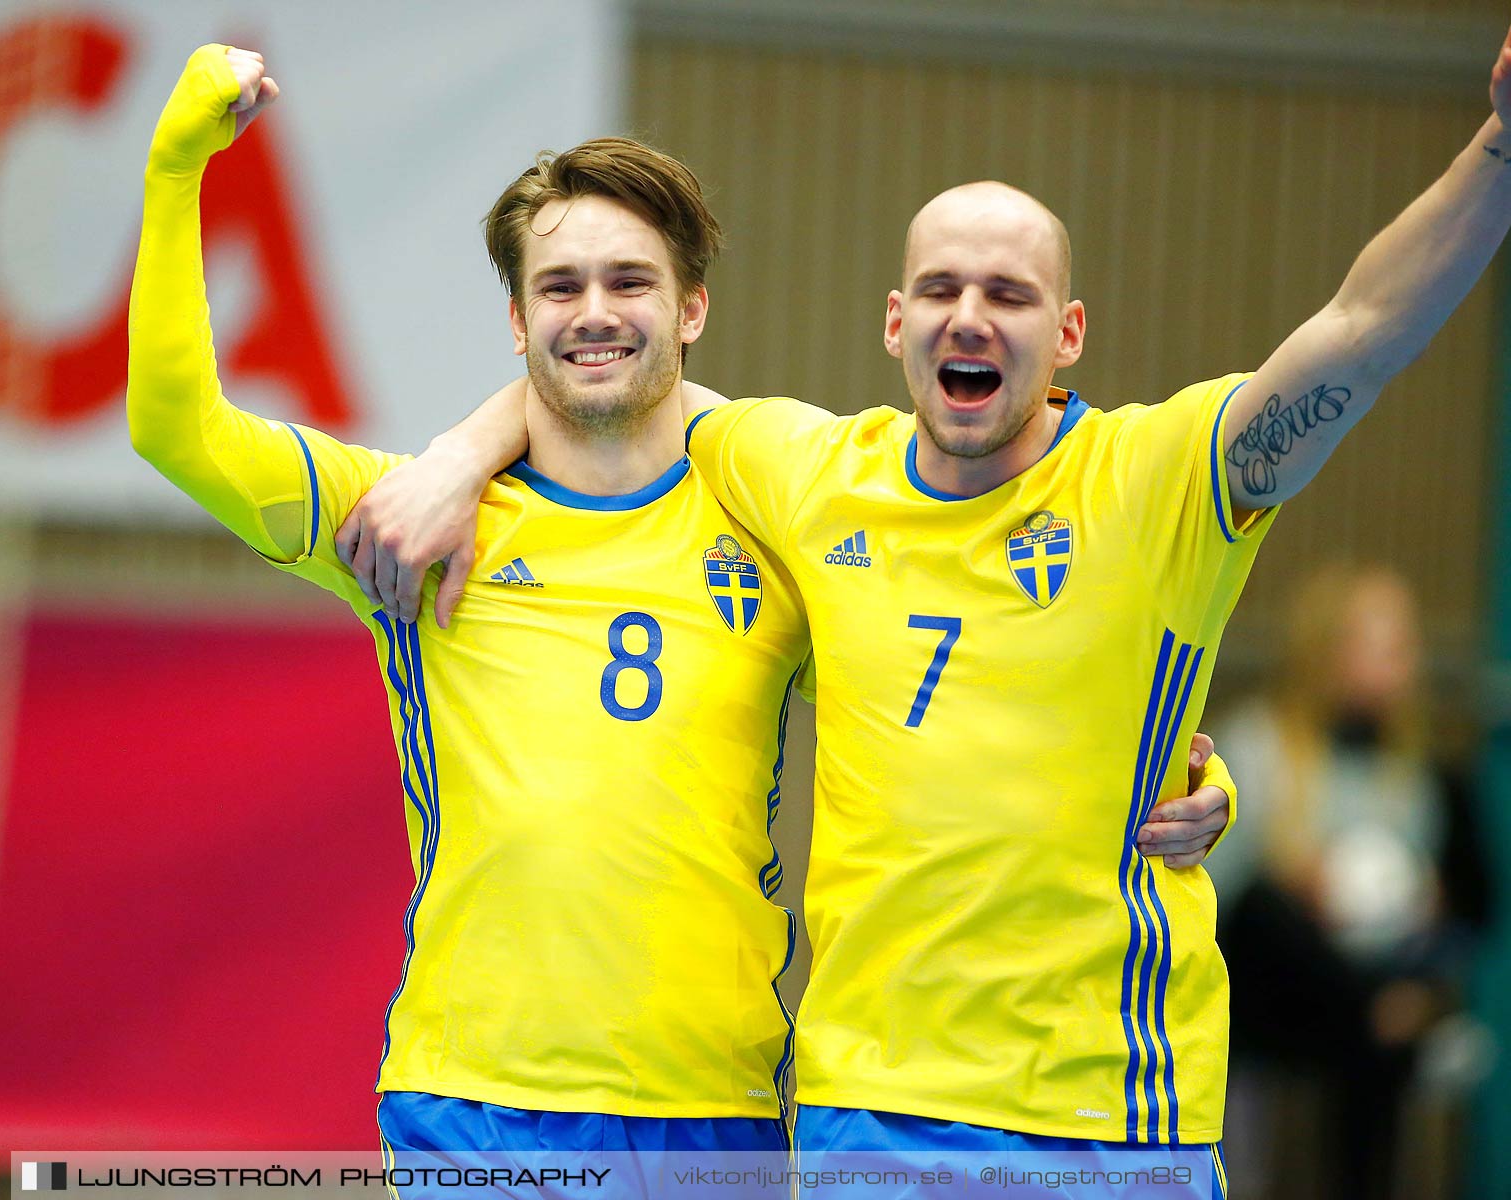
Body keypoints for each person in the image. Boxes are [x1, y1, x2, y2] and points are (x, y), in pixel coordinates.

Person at [342, 22, 1511, 1190]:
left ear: (1067, 336)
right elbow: (607, 371)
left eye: (1009, 293)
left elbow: (1359, 334)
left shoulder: (1160, 480)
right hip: (871, 1123)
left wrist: (1500, 151)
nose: (970, 315)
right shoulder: (804, 471)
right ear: (896, 324)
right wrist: (458, 454)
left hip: (1111, 1121)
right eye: (942, 288)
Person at [126, 43, 1232, 1179]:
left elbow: (981, 680)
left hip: (726, 1112)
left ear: (692, 307)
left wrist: (1189, 775)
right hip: (474, 1102)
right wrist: (176, 170)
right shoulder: (411, 523)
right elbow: (177, 430)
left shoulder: (783, 524)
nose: (594, 313)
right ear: (516, 321)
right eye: (559, 288)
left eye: (630, 283)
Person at [1210, 563, 1493, 1199]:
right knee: (1267, 909)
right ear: (1328, 651)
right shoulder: (1257, 747)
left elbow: (1443, 903)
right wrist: (1297, 881)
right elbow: (1218, 904)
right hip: (1271, 994)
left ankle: (1396, 1020)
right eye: (1388, 648)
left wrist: (1426, 907)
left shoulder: (1411, 773)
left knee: (1387, 1030)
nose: (1408, 667)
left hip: (1372, 985)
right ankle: (1387, 1013)